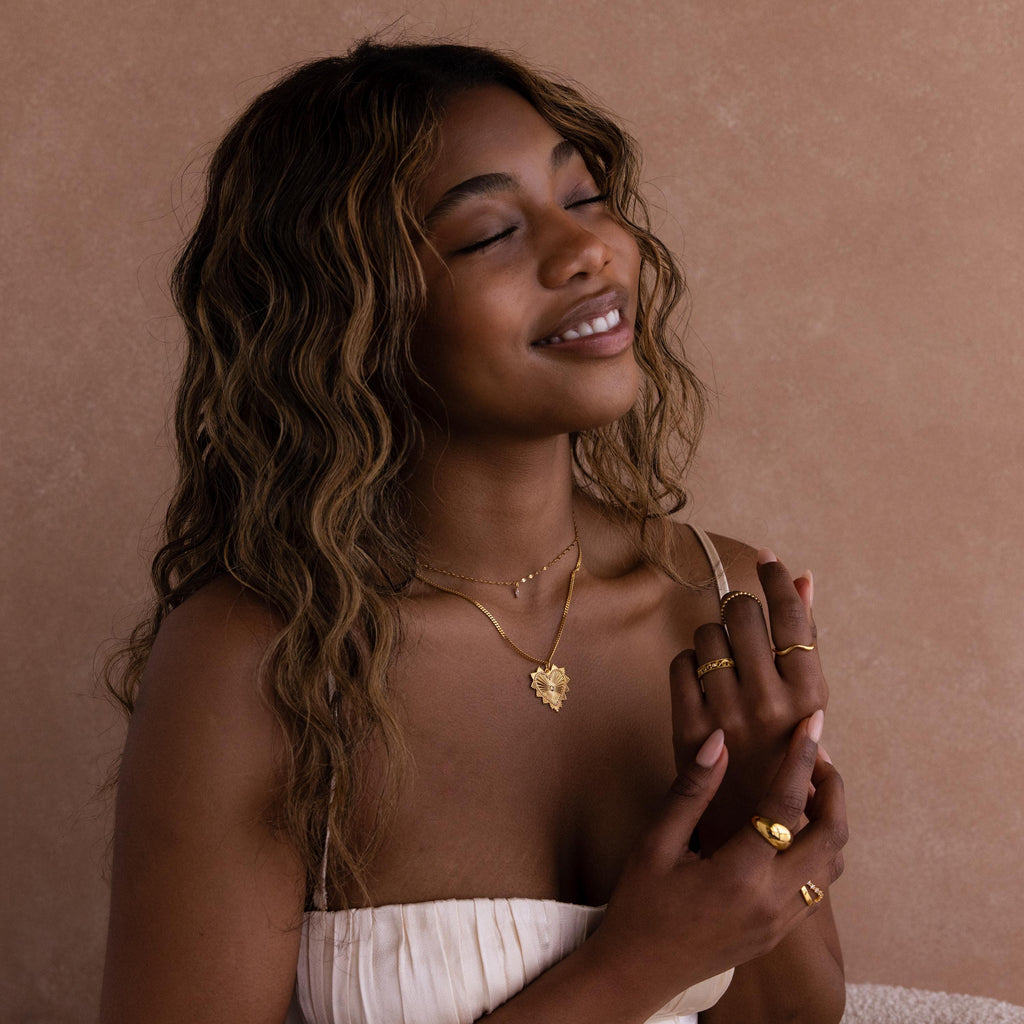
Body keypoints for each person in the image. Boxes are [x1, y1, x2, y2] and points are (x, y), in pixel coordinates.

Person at [99, 39, 848, 1024]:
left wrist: (757, 833)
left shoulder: (717, 594)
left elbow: (795, 1019)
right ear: (351, 318)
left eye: (582, 201)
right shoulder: (263, 659)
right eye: (490, 232)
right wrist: (630, 970)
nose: (588, 250)